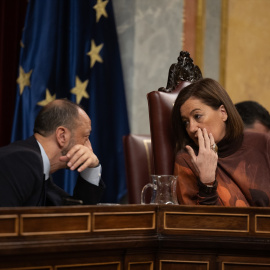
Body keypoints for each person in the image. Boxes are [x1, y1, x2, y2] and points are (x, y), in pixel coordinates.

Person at [171, 78, 270, 206]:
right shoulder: (188, 159)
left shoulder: (263, 144)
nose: (191, 128)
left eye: (197, 116)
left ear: (223, 112)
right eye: (186, 122)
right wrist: (207, 183)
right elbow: (196, 222)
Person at [0, 99, 105, 207]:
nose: (89, 148)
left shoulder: (40, 171)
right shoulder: (23, 161)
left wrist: (91, 169)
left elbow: (74, 216)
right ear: (62, 136)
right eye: (86, 137)